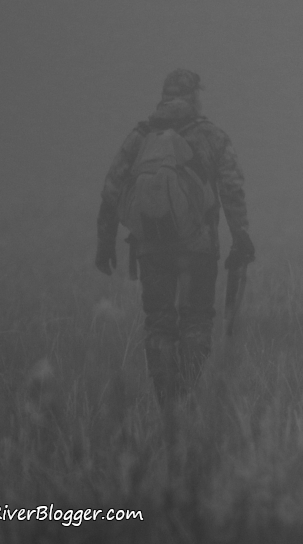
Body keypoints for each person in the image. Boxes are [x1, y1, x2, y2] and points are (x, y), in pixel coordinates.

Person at [95, 69, 254, 409]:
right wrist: (241, 238)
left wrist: (105, 241)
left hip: (151, 249)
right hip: (198, 249)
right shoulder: (211, 136)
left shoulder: (140, 137)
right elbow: (232, 189)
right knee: (196, 321)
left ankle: (166, 402)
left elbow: (111, 189)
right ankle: (185, 392)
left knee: (159, 323)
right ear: (194, 96)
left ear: (165, 96)